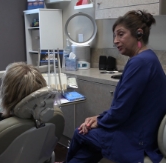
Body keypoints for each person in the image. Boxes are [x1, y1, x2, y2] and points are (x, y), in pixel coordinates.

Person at [66, 10, 166, 163]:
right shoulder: (148, 58)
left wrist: (99, 122)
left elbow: (120, 110)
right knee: (88, 148)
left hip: (136, 139)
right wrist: (98, 118)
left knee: (80, 133)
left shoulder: (140, 62)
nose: (115, 41)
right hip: (141, 132)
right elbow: (123, 107)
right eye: (114, 35)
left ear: (138, 34)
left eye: (121, 34)